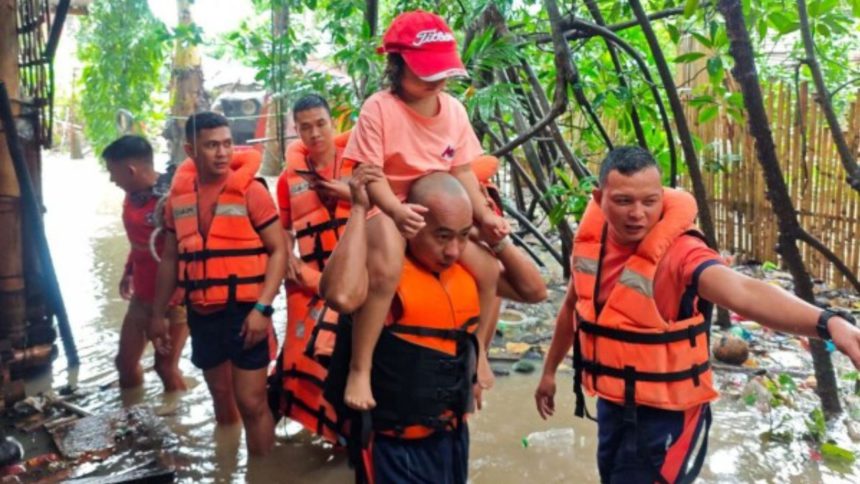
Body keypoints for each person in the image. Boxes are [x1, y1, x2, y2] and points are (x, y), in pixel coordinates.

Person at [534, 146, 860, 483]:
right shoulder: (593, 243)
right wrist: (548, 372)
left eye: (650, 201)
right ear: (600, 197)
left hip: (667, 417)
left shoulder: (682, 253)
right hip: (614, 403)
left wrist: (829, 323)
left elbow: (744, 292)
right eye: (623, 201)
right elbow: (574, 307)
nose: (638, 214)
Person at [321, 167, 546, 483]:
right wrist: (360, 209)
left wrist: (492, 240)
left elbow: (535, 291)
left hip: (451, 436)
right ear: (412, 225)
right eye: (442, 236)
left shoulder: (468, 269)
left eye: (462, 236)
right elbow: (340, 295)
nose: (452, 250)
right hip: (395, 445)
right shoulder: (383, 275)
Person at [341, 9, 510, 413]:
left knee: (489, 272)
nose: (435, 82)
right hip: (391, 205)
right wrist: (397, 213)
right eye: (424, 73)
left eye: (440, 73)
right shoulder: (378, 109)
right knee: (385, 274)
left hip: (442, 213)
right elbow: (372, 175)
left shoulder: (453, 110)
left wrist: (484, 215)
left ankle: (479, 353)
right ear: (396, 66)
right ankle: (360, 368)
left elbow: (463, 171)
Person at [149, 112, 287, 456]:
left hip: (247, 313)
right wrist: (157, 315)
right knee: (221, 395)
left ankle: (263, 475)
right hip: (202, 312)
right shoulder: (178, 200)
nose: (222, 153)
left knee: (252, 402)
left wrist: (263, 308)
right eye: (211, 146)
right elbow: (170, 259)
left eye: (227, 144)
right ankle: (225, 466)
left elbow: (279, 251)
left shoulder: (252, 192)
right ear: (190, 149)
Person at [272, 94, 353, 443]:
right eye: (305, 127)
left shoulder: (358, 164)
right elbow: (285, 229)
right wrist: (285, 249)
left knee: (355, 364)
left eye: (320, 123)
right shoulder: (286, 181)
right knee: (307, 362)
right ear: (296, 130)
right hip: (312, 283)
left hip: (355, 283)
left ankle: (354, 438)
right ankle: (329, 431)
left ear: (332, 122)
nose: (314, 133)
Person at [103, 135, 188, 392]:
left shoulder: (172, 200)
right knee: (125, 363)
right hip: (141, 296)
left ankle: (177, 425)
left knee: (165, 367)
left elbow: (184, 258)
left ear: (130, 170)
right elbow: (140, 242)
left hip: (173, 303)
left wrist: (163, 312)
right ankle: (132, 414)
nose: (111, 179)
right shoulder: (132, 195)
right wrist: (128, 270)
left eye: (112, 172)